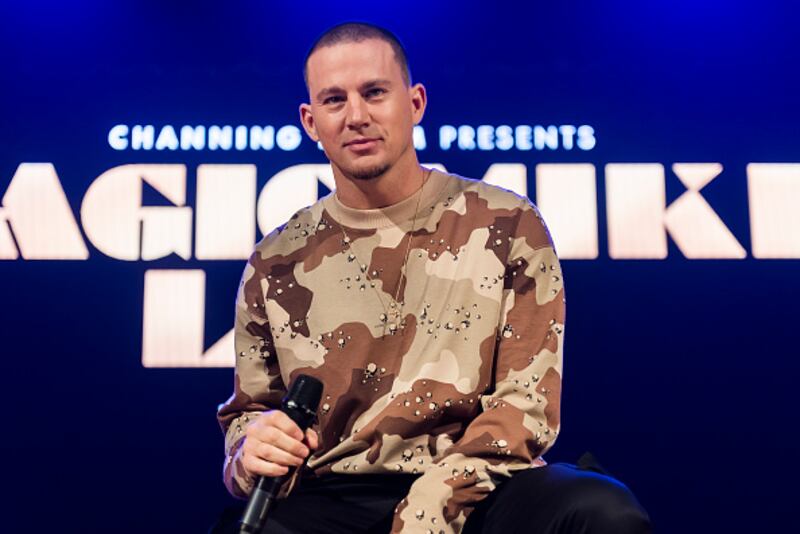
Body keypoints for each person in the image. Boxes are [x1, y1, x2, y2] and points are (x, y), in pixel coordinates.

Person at [215, 22, 651, 534]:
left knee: (602, 510)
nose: (356, 116)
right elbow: (251, 413)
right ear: (311, 121)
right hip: (333, 492)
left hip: (481, 484)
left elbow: (525, 405)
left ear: (415, 103)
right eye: (334, 100)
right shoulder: (276, 259)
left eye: (374, 93)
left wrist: (430, 507)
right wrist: (250, 449)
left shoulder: (505, 222)